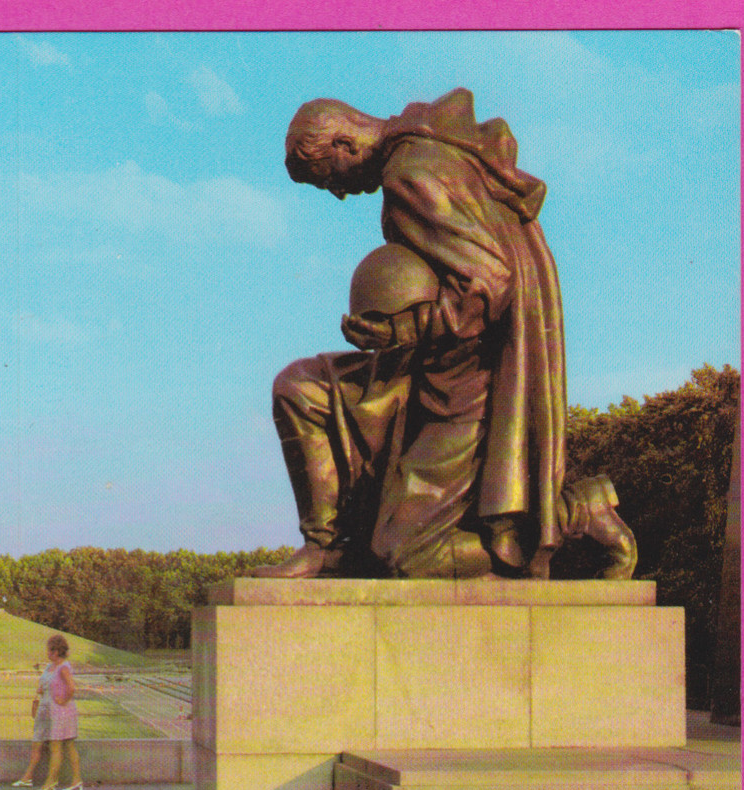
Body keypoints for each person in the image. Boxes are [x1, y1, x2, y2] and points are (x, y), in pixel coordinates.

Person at [257, 88, 635, 580]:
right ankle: (327, 546)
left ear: (345, 146)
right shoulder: (425, 150)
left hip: (467, 388)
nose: (339, 192)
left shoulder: (411, 174)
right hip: (427, 364)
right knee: (302, 389)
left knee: (405, 554)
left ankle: (573, 512)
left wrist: (408, 327)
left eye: (329, 178)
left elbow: (488, 282)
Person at [14, 634, 81, 790]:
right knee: (63, 745)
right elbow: (47, 684)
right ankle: (75, 781)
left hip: (60, 712)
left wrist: (63, 700)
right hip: (47, 711)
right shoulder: (49, 667)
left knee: (59, 746)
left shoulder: (63, 667)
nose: (47, 653)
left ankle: (51, 783)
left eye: (49, 650)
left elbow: (71, 687)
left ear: (56, 651)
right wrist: (41, 690)